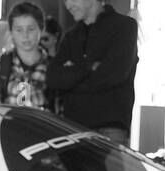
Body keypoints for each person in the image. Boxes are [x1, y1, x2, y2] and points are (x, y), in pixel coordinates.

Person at [47, 0, 138, 145]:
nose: (68, 5)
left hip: (110, 127)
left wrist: (71, 78)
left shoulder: (125, 26)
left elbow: (113, 76)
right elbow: (53, 79)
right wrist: (89, 68)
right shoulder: (71, 36)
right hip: (73, 128)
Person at [0, 2, 51, 111]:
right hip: (9, 127)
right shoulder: (0, 68)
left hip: (42, 128)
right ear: (11, 32)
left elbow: (60, 115)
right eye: (19, 30)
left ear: (41, 29)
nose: (25, 35)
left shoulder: (52, 67)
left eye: (31, 29)